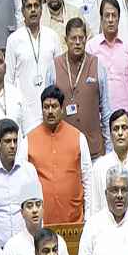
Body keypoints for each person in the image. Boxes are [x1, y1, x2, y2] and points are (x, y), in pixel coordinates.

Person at [47, 17, 111, 159]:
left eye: (81, 38)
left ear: (86, 39)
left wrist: (109, 150)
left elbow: (106, 111)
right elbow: (47, 109)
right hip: (63, 151)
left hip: (94, 151)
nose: (77, 42)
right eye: (73, 38)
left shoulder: (97, 65)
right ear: (65, 39)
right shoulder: (53, 67)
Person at [27, 85, 92, 224]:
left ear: (62, 109)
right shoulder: (28, 140)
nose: (50, 111)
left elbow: (88, 180)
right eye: (46, 107)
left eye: (54, 106)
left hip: (74, 221)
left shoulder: (78, 137)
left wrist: (89, 218)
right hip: (41, 223)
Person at [0, 119, 40, 247]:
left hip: (26, 246)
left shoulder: (28, 171)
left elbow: (36, 210)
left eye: (15, 141)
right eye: (7, 141)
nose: (12, 146)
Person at [6, 0, 62, 132]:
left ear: (41, 9)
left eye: (36, 6)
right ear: (22, 11)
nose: (33, 10)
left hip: (50, 107)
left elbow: (60, 74)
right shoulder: (13, 40)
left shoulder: (52, 36)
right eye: (28, 6)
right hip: (25, 109)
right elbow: (9, 80)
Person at [86, 0, 128, 120]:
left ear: (119, 18)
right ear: (101, 18)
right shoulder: (91, 47)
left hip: (126, 114)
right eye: (107, 16)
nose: (110, 20)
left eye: (114, 15)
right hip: (100, 115)